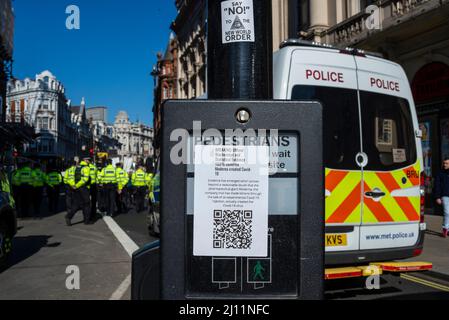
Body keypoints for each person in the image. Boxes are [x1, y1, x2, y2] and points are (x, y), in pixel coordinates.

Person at [64, 158, 91, 226]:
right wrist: (77, 185)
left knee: (76, 204)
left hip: (76, 188)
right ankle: (86, 221)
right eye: (88, 160)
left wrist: (74, 185)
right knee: (87, 204)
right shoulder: (86, 168)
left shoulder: (75, 168)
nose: (89, 161)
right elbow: (85, 179)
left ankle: (69, 216)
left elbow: (72, 178)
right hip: (83, 188)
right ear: (85, 160)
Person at [435, 157, 449, 238]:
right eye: (444, 163)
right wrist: (437, 197)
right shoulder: (440, 173)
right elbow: (437, 186)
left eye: (447, 163)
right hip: (444, 195)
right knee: (447, 212)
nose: (444, 165)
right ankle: (445, 229)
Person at [84, 158, 98, 222]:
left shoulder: (84, 168)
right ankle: (93, 215)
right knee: (93, 201)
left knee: (86, 201)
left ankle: (87, 215)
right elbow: (97, 176)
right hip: (93, 185)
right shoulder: (94, 167)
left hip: (86, 186)